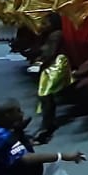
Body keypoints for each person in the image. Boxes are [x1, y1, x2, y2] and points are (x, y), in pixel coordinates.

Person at [34, 14, 70, 143]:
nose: (43, 25)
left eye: (46, 23)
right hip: (52, 65)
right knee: (46, 96)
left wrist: (40, 59)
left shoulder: (56, 35)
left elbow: (50, 53)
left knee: (45, 94)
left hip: (55, 65)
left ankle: (46, 126)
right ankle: (48, 123)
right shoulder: (52, 34)